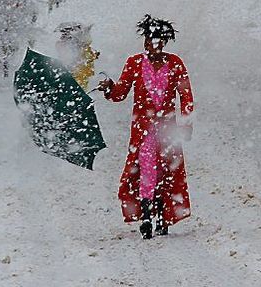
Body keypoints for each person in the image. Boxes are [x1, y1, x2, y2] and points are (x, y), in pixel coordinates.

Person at [97, 15, 194, 239]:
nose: (152, 47)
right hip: (143, 131)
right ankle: (147, 215)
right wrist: (109, 87)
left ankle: (162, 215)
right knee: (147, 171)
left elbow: (186, 96)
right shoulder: (134, 63)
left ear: (164, 43)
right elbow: (120, 93)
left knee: (166, 172)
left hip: (168, 131)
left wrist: (186, 123)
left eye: (157, 42)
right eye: (148, 42)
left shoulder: (176, 64)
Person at [55, 22, 100, 90]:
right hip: (74, 77)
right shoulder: (62, 45)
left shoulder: (84, 46)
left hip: (81, 77)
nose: (63, 35)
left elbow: (88, 57)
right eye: (63, 33)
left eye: (66, 32)